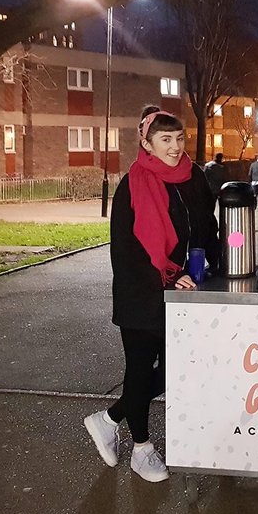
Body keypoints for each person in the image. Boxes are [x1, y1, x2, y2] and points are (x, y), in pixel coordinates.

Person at [84, 106, 221, 483]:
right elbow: (126, 251)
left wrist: (230, 258)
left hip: (187, 290)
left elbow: (207, 228)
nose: (175, 147)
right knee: (141, 368)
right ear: (146, 143)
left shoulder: (193, 177)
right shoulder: (134, 184)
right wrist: (165, 278)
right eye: (165, 140)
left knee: (179, 369)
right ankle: (142, 450)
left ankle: (109, 419)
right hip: (142, 294)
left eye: (179, 139)